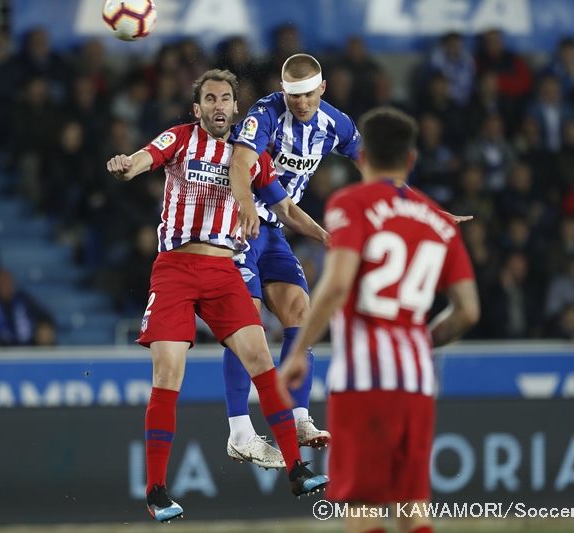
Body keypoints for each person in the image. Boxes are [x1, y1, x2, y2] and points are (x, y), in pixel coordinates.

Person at [106, 69, 329, 523]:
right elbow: (146, 157)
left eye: (225, 99)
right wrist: (126, 163)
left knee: (262, 362)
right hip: (175, 269)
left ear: (234, 107)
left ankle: (296, 469)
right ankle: (156, 491)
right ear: (197, 108)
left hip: (224, 269)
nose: (218, 106)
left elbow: (284, 208)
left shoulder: (250, 156)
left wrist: (326, 236)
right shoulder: (181, 139)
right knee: (168, 374)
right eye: (209, 99)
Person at [280, 107, 480, 533]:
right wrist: (422, 340)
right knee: (413, 507)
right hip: (418, 380)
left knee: (363, 507)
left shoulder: (350, 203)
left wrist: (298, 351)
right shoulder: (438, 222)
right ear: (410, 161)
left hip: (363, 380)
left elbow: (335, 285)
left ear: (363, 156)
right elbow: (468, 310)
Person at [225, 53, 363, 467]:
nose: (301, 102)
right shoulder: (264, 113)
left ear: (322, 88)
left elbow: (374, 164)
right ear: (283, 90)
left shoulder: (335, 124)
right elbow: (241, 161)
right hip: (238, 227)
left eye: (308, 94)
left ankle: (299, 418)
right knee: (244, 323)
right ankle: (239, 430)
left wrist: (413, 201)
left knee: (301, 313)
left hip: (275, 229)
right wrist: (246, 205)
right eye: (293, 94)